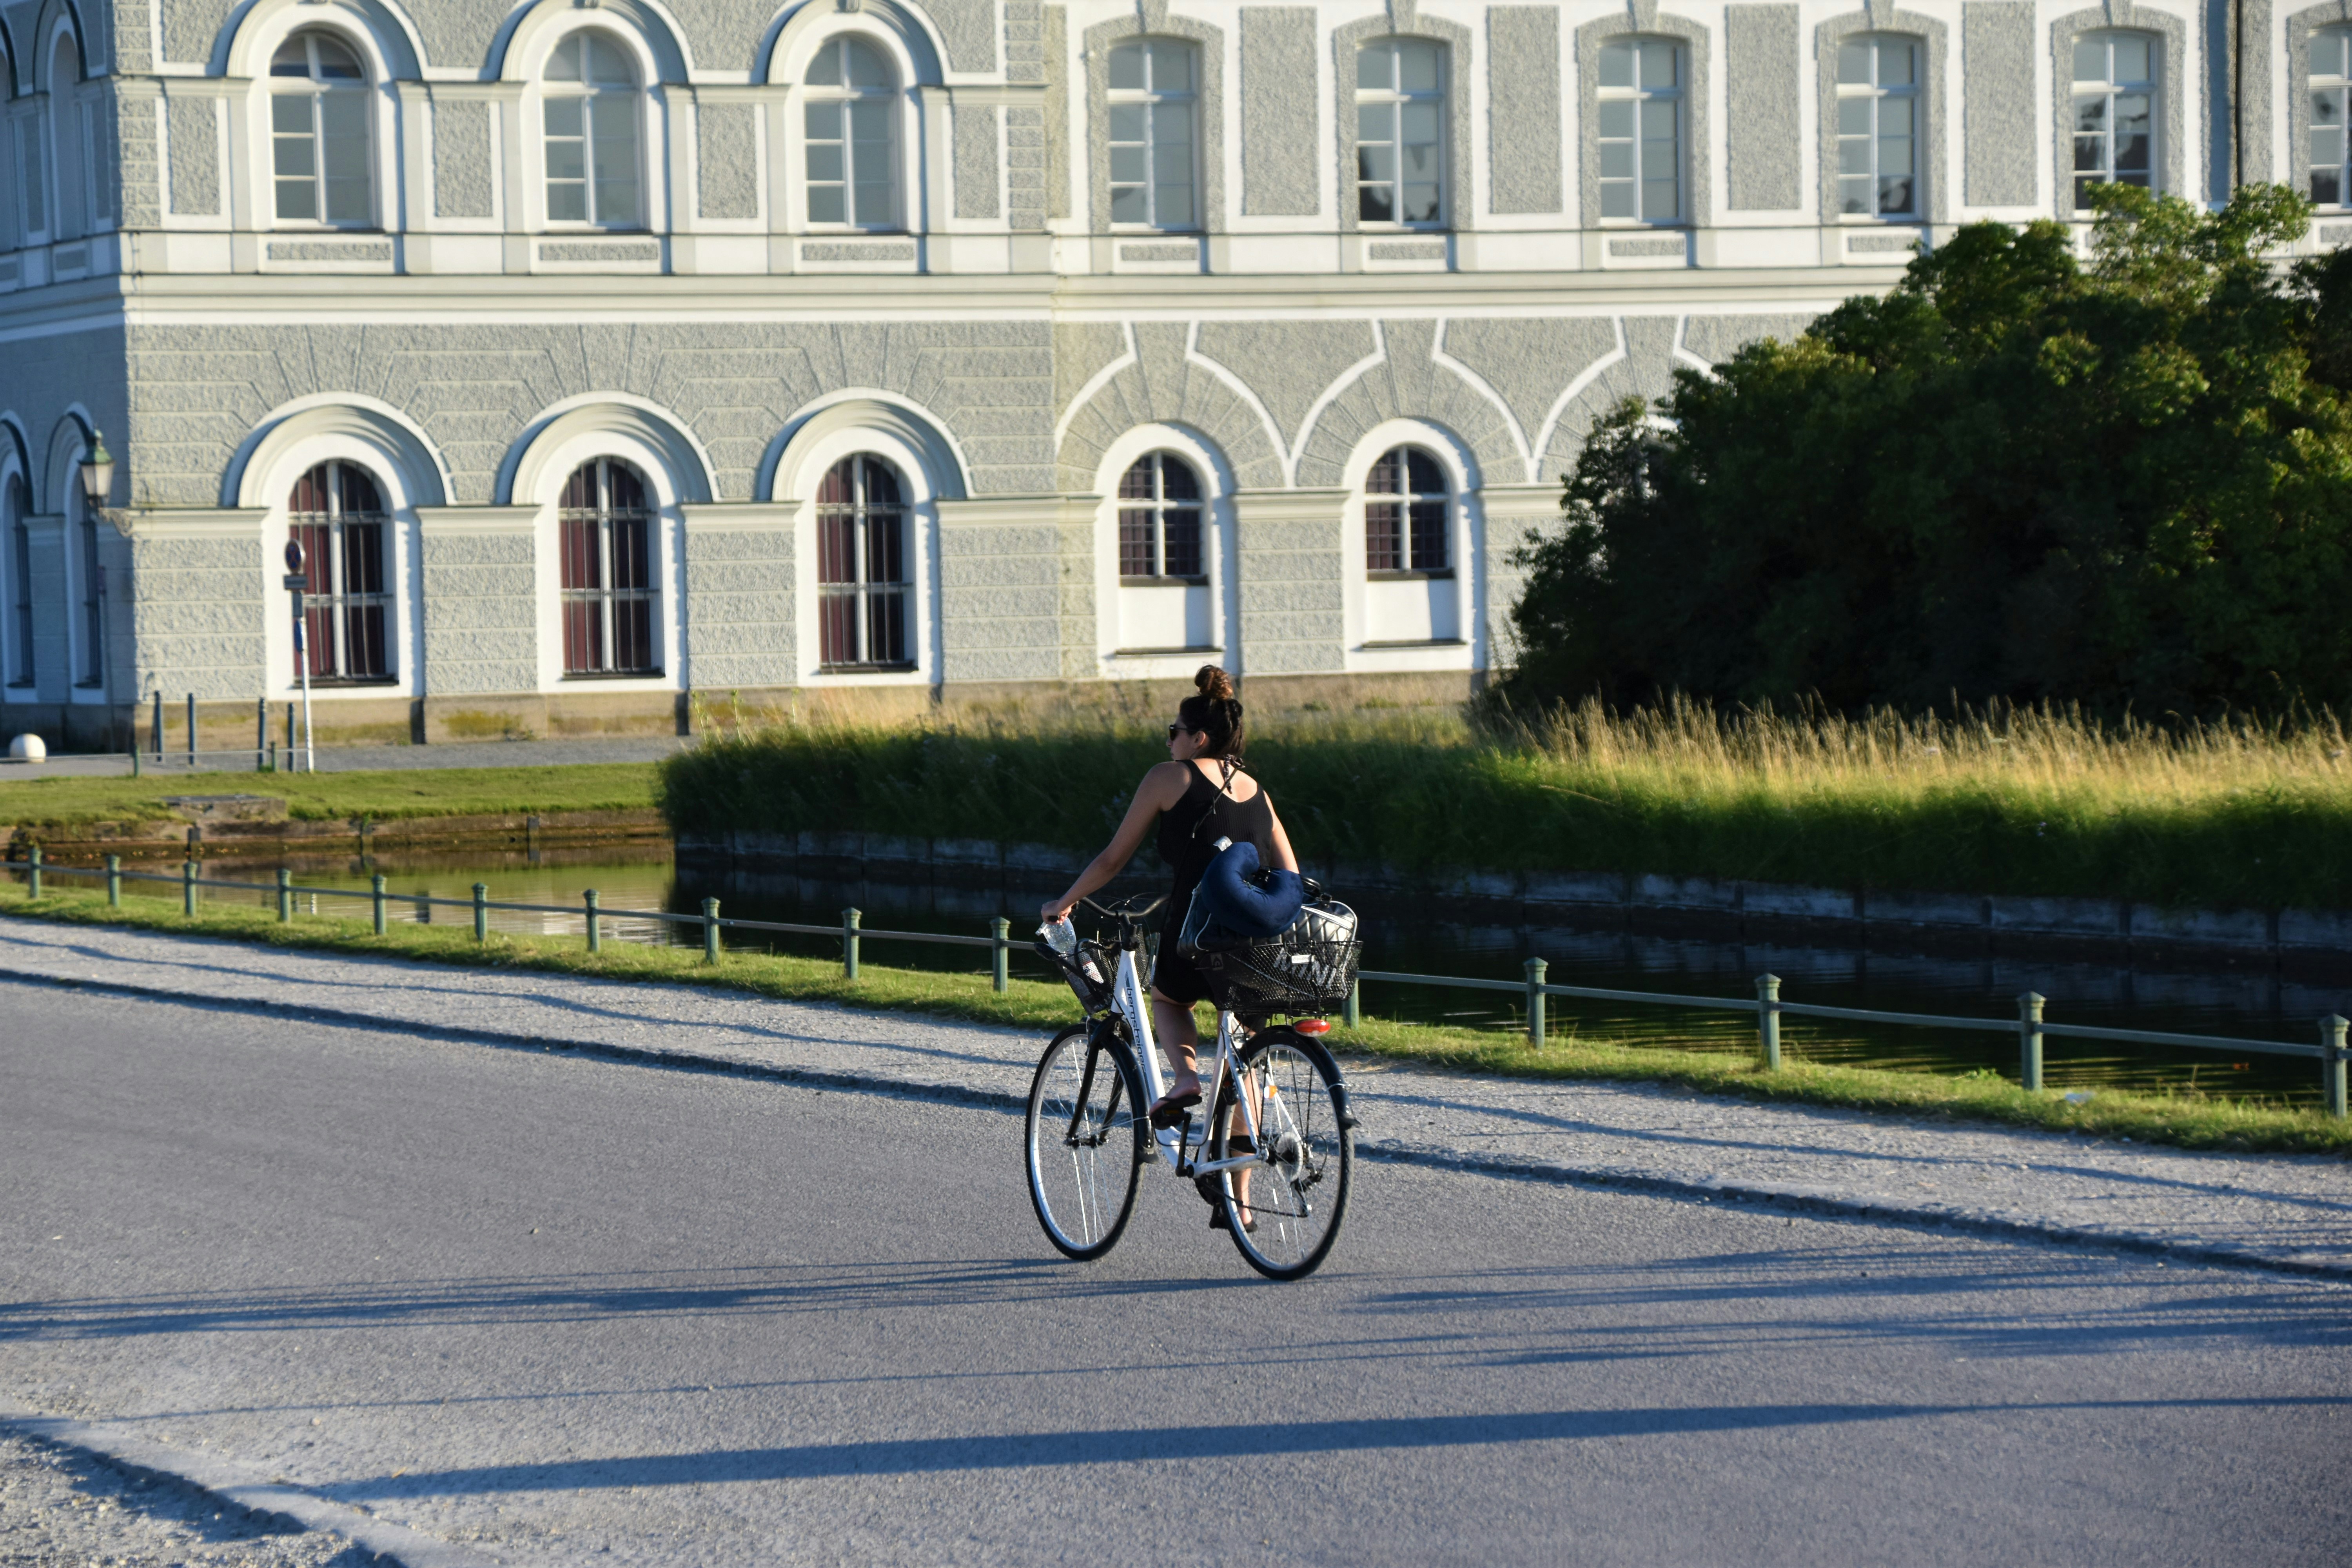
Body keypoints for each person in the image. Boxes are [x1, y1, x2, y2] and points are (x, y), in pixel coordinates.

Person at [1040, 667, 1299, 1226]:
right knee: (1243, 1060)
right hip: (1256, 942)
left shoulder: (1170, 777)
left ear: (1197, 738)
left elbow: (1113, 859)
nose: (1169, 740)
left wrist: (1063, 901)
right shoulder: (1257, 789)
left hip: (1196, 931)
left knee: (1169, 1000)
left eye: (1173, 730)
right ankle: (1239, 1201)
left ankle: (1183, 1081)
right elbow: (1290, 870)